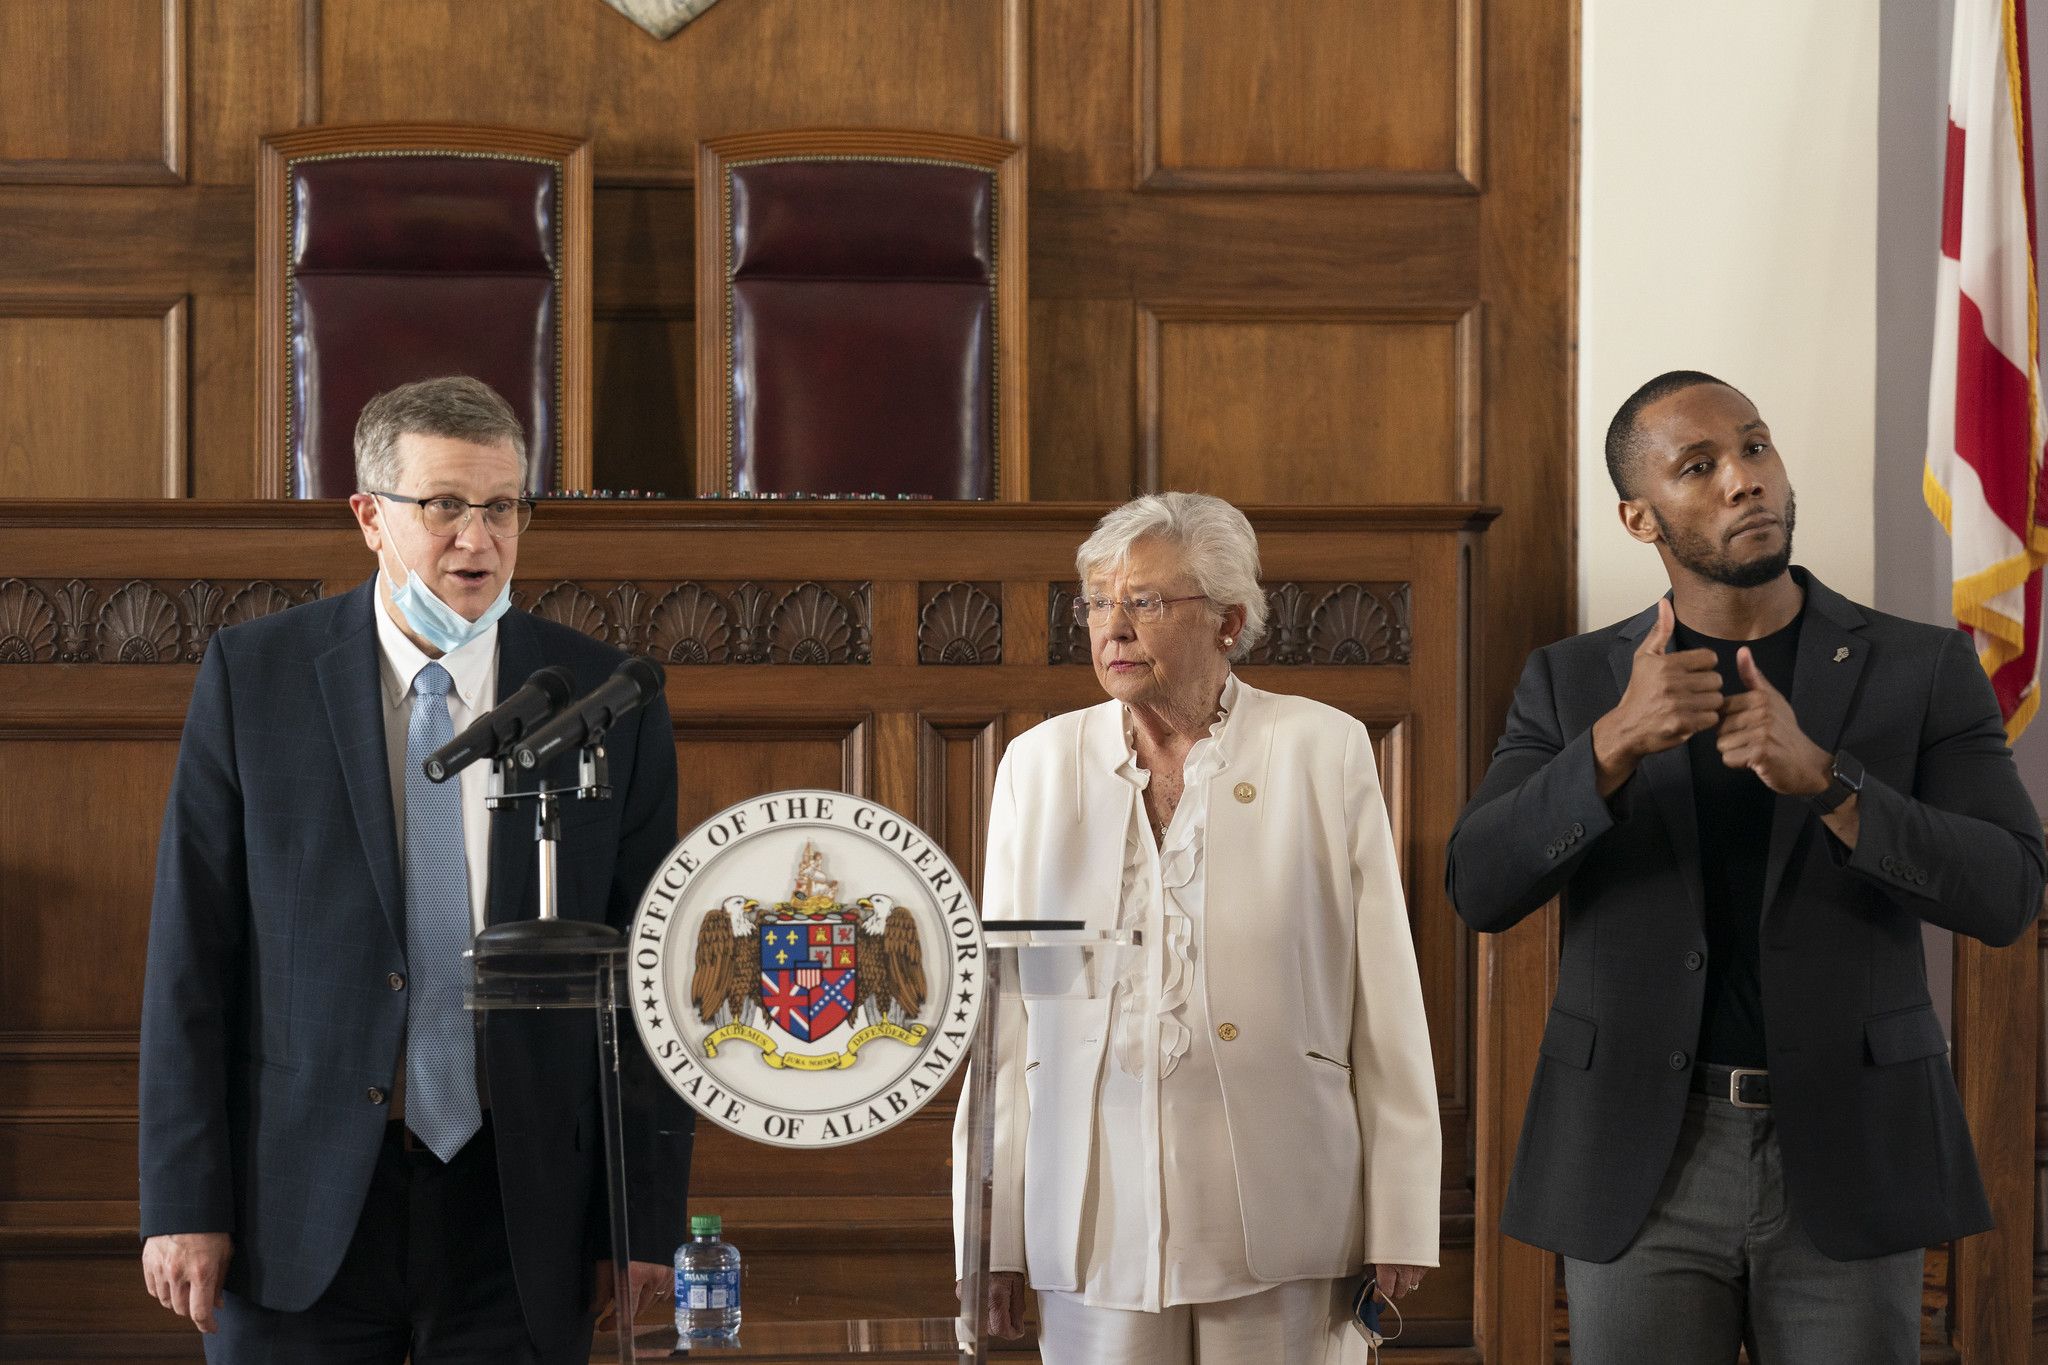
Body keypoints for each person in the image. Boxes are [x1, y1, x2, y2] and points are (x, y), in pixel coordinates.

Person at [1447, 371, 2046, 1364]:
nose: (1742, 480)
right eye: (1699, 466)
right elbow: (1478, 884)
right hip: (1638, 1159)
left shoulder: (1919, 669)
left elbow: (2006, 892)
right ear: (1637, 517)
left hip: (1850, 1151)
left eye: (1754, 447)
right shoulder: (1572, 683)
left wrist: (1830, 782)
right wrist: (1607, 749)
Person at [137, 376, 694, 1363]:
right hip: (297, 1207)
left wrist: (637, 1220)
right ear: (368, 516)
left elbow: (649, 982)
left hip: (520, 1210)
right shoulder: (253, 677)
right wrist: (184, 1202)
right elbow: (192, 957)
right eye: (443, 506)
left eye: (501, 507)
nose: (476, 541)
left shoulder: (607, 700)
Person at [957, 492, 1440, 1364]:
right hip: (1092, 1217)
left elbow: (1387, 993)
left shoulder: (1321, 749)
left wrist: (1400, 1210)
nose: (1114, 625)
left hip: (1286, 1208)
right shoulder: (1038, 765)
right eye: (1099, 601)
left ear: (1229, 621)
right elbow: (1005, 1022)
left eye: (1144, 601)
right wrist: (988, 1236)